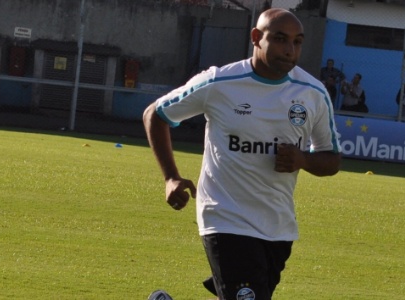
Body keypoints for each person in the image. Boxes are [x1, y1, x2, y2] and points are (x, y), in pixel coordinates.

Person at [143, 8, 342, 300]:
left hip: (277, 227)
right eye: (280, 39)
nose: (290, 50)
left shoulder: (312, 92)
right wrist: (170, 177)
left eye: (297, 42)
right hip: (224, 217)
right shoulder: (219, 83)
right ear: (256, 38)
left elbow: (331, 160)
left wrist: (303, 160)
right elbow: (155, 114)